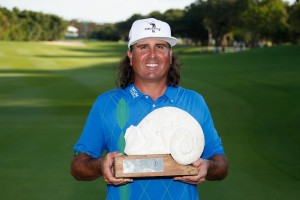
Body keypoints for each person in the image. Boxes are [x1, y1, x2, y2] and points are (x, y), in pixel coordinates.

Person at [71, 18, 228, 199]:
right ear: (130, 55)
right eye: (143, 47)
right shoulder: (106, 103)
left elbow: (221, 164)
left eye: (160, 46)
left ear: (170, 55)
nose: (152, 55)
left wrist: (208, 167)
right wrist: (99, 165)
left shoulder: (194, 102)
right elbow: (77, 166)